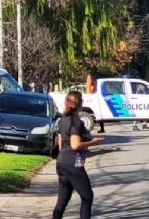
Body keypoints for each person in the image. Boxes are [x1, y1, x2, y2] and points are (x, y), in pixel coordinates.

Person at [53, 91, 104, 219]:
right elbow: (75, 145)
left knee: (62, 201)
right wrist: (92, 142)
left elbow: (60, 144)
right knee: (87, 197)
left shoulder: (62, 120)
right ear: (79, 104)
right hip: (72, 165)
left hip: (61, 163)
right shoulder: (76, 122)